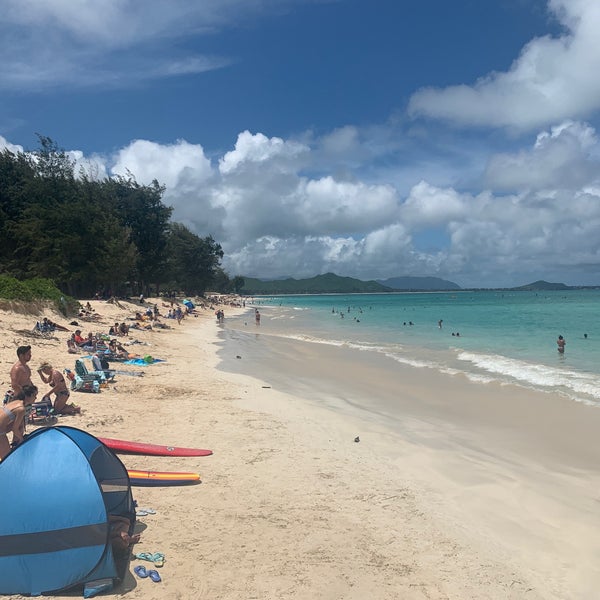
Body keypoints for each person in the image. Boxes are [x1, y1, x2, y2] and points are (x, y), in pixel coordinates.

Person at [0, 384, 38, 459]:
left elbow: (16, 426)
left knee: (21, 425)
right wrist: (21, 439)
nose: (36, 398)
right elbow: (15, 429)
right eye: (34, 395)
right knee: (6, 458)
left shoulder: (15, 402)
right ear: (27, 396)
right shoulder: (21, 409)